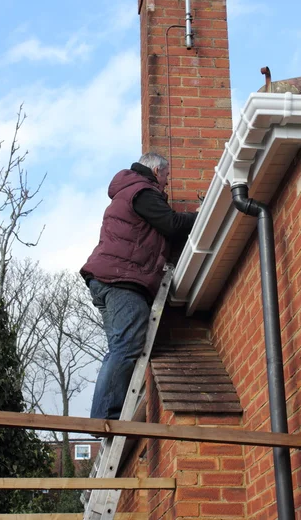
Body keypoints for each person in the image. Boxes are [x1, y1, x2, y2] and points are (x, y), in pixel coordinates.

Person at [80, 152, 198, 420]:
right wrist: (200, 216)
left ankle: (106, 415)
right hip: (122, 280)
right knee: (127, 346)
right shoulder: (142, 191)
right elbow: (171, 224)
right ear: (157, 172)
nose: (167, 184)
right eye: (167, 177)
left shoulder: (130, 190)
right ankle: (105, 418)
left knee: (120, 347)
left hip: (107, 279)